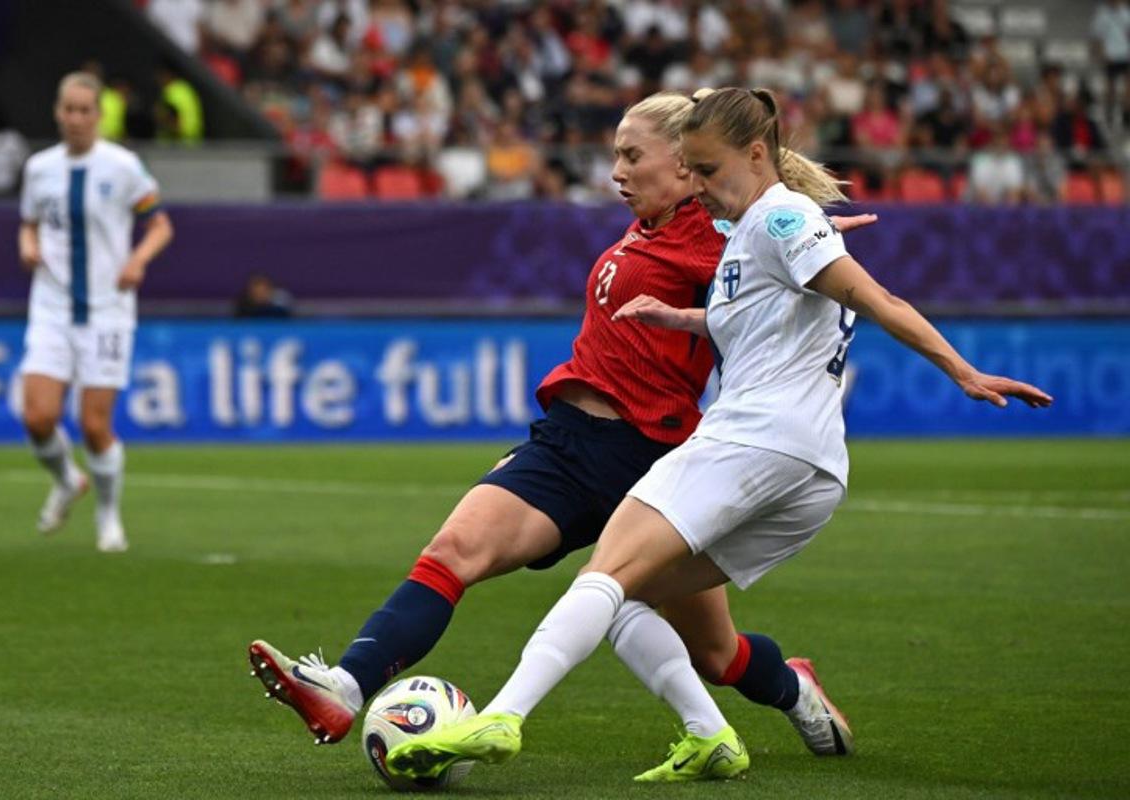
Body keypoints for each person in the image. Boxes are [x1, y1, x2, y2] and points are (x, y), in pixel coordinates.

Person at [385, 87, 1053, 783]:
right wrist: (677, 319)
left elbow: (876, 298)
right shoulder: (753, 234)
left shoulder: (782, 217)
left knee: (603, 575)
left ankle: (503, 717)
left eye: (704, 170)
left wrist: (963, 372)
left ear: (756, 154)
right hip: (814, 474)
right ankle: (710, 734)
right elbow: (756, 317)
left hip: (753, 439)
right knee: (630, 599)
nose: (696, 187)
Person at [247, 91, 877, 756]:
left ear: (688, 165)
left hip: (659, 459)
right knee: (451, 554)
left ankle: (792, 689)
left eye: (633, 156)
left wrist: (815, 238)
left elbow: (790, 260)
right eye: (615, 156)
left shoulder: (724, 231)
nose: (617, 172)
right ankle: (345, 687)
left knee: (716, 654)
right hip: (570, 448)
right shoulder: (646, 229)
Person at [18, 72, 174, 552]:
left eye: (86, 110)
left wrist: (137, 260)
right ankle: (68, 479)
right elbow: (28, 223)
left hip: (107, 309)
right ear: (57, 112)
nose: (77, 119)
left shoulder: (124, 167)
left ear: (99, 116)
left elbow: (160, 225)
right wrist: (28, 245)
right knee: (38, 417)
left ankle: (108, 515)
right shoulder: (39, 168)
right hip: (51, 306)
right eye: (69, 109)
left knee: (93, 425)